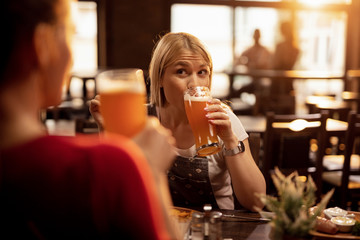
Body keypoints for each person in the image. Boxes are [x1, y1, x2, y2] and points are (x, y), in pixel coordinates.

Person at [0, 0, 178, 239]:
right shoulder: (101, 167)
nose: (71, 59)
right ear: (43, 44)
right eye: (71, 34)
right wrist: (150, 171)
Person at [90, 32, 266, 211]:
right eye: (182, 72)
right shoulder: (139, 118)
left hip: (213, 228)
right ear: (159, 78)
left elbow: (256, 202)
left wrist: (230, 141)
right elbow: (113, 190)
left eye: (202, 72)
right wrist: (108, 130)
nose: (194, 84)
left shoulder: (222, 120)